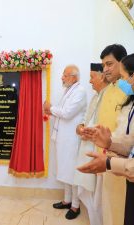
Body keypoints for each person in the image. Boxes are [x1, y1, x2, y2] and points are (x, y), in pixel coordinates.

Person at [78, 53, 134, 225]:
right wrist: (108, 142)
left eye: (129, 77)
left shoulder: (122, 92)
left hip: (120, 166)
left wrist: (110, 161)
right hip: (112, 158)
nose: (128, 82)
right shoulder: (116, 95)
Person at [43, 64, 87, 220]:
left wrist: (51, 108)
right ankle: (67, 200)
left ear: (74, 77)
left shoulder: (80, 92)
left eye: (65, 75)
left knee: (72, 172)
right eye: (63, 75)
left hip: (71, 140)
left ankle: (75, 206)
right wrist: (51, 111)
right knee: (65, 171)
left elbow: (67, 113)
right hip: (63, 138)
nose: (62, 77)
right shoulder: (69, 90)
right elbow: (62, 113)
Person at [92, 44, 127, 225]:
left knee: (119, 208)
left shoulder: (128, 91)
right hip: (104, 156)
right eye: (103, 65)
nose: (105, 69)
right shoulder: (107, 91)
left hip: (122, 159)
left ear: (123, 62)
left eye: (110, 64)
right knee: (106, 206)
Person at [74, 63, 108, 225]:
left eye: (92, 77)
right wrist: (80, 127)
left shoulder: (109, 96)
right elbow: (85, 120)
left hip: (99, 152)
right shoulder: (95, 97)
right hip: (86, 150)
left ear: (102, 76)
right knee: (88, 194)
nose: (89, 81)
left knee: (98, 197)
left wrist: (90, 131)